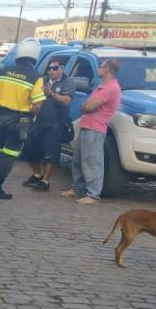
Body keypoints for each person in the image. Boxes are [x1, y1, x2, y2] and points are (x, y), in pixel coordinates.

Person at [0, 37, 45, 200]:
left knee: (0, 151)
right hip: (19, 120)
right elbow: (38, 104)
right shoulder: (35, 77)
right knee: (9, 154)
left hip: (0, 117)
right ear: (35, 55)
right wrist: (30, 116)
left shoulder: (3, 71)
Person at [62, 58, 121, 205]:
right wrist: (88, 106)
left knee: (92, 162)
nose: (99, 69)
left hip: (95, 128)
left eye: (101, 66)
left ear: (107, 69)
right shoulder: (102, 86)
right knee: (78, 160)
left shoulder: (111, 88)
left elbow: (88, 106)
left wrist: (88, 106)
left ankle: (93, 195)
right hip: (87, 125)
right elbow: (87, 105)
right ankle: (78, 188)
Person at [22, 57, 74, 192]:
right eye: (49, 68)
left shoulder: (68, 82)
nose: (51, 71)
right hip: (39, 121)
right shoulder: (43, 80)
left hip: (55, 124)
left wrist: (51, 93)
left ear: (62, 68)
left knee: (50, 154)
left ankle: (45, 181)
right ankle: (36, 175)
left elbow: (66, 101)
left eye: (55, 68)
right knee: (29, 148)